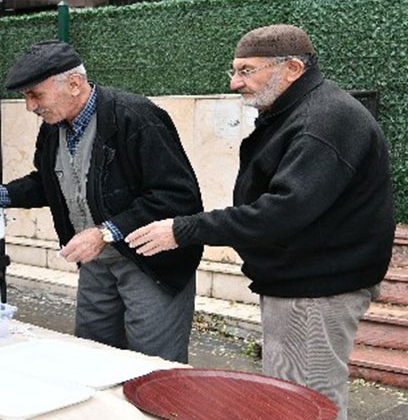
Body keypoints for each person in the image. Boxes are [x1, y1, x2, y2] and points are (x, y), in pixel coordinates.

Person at [126, 24, 394, 419]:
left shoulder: (325, 119)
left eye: (247, 70)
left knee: (305, 401)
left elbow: (281, 212)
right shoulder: (297, 112)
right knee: (290, 394)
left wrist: (183, 229)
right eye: (233, 71)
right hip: (303, 281)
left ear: (292, 69)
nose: (236, 83)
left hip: (316, 288)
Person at [0, 41, 203, 363]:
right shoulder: (54, 126)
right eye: (25, 97)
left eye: (35, 95)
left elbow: (176, 196)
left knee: (152, 363)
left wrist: (104, 233)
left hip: (150, 262)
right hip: (95, 262)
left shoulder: (136, 116)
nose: (29, 107)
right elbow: (49, 182)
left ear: (74, 84)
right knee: (92, 353)